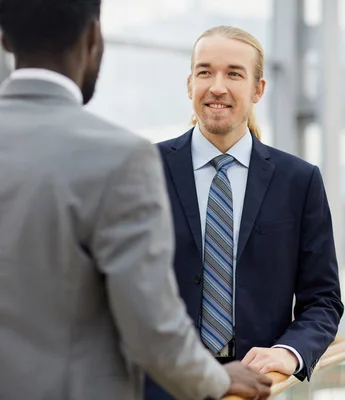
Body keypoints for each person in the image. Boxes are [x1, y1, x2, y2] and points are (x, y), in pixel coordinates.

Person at [0, 2, 272, 400]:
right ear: (94, 37)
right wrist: (216, 378)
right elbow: (149, 326)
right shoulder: (120, 158)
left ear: (4, 38)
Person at [146, 25, 344, 400]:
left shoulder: (299, 182)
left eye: (234, 73)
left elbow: (323, 299)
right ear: (190, 85)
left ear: (258, 90)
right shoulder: (143, 170)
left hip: (256, 390)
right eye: (205, 72)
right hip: (158, 386)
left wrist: (288, 353)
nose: (217, 86)